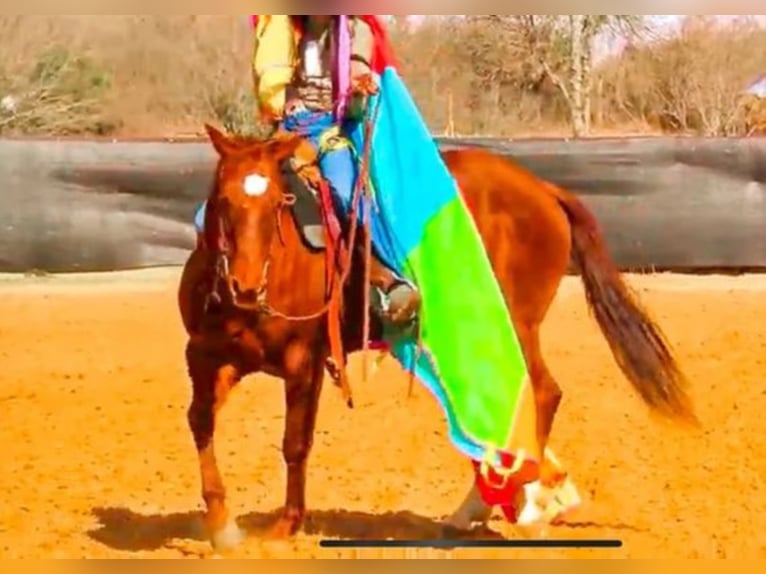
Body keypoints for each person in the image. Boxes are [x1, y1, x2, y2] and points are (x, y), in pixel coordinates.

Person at [194, 15, 420, 325]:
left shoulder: (356, 30)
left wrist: (360, 82)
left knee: (347, 197)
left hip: (330, 134)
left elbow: (358, 68)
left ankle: (386, 281)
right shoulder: (283, 26)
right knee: (216, 207)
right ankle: (212, 287)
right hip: (285, 135)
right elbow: (272, 87)